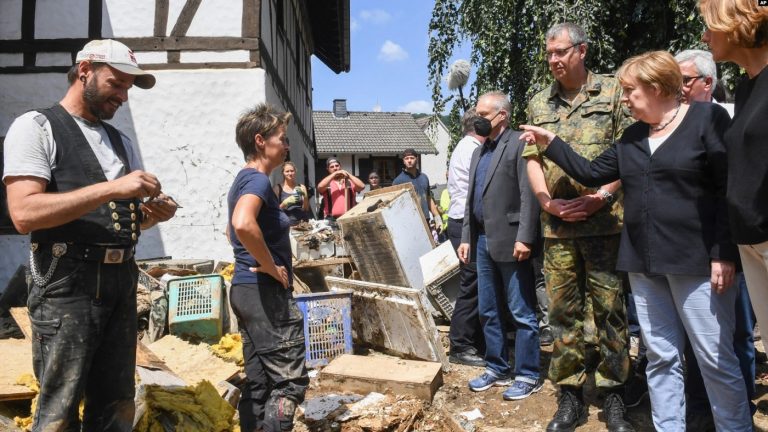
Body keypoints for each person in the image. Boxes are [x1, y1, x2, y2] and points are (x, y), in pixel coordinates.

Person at [521, 50, 752, 432]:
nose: (624, 98)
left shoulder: (705, 119)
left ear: (658, 87)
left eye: (630, 90)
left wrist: (724, 253)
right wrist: (552, 142)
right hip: (645, 266)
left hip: (697, 264)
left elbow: (728, 187)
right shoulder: (632, 136)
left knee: (714, 359)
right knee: (661, 357)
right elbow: (591, 172)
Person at [2, 39, 177, 430]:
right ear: (85, 71)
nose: (123, 97)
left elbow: (112, 219)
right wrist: (113, 188)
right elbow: (23, 213)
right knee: (60, 409)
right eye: (117, 84)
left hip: (120, 278)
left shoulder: (120, 141)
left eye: (128, 89)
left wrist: (151, 217)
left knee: (116, 403)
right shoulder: (35, 127)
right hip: (66, 280)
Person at [524, 22, 634, 432]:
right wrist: (547, 203)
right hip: (558, 229)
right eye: (549, 53)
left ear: (582, 51)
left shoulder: (613, 92)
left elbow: (629, 152)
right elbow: (532, 159)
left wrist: (600, 196)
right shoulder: (538, 103)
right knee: (562, 314)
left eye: (561, 52)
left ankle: (614, 395)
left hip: (604, 223)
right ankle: (569, 397)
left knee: (610, 312)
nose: (553, 60)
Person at [675, 48, 757, 426]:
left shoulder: (732, 117)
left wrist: (724, 249)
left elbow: (731, 187)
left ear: (707, 82)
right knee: (699, 340)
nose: (678, 89)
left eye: (684, 81)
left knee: (736, 333)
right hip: (696, 250)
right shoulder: (673, 123)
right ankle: (700, 410)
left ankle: (741, 405)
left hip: (733, 247)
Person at [227, 103, 308, 431]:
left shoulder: (243, 181)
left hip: (244, 290)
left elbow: (231, 230)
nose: (286, 146)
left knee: (259, 383)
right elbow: (243, 224)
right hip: (264, 294)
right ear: (260, 141)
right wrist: (272, 266)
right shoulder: (259, 181)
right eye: (282, 138)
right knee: (288, 384)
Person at [699, 0, 768, 382]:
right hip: (751, 245)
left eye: (709, 25)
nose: (704, 36)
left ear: (735, 21)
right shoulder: (745, 88)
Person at [458, 91, 541, 400]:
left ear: (502, 115)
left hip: (511, 238)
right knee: (488, 309)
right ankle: (497, 367)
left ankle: (528, 372)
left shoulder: (520, 142)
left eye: (484, 113)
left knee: (521, 310)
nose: (477, 118)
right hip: (481, 240)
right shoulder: (480, 151)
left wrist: (526, 236)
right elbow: (471, 200)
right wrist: (466, 237)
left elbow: (529, 192)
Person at [446, 109, 486, 367]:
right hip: (465, 223)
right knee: (471, 285)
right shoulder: (472, 149)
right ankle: (460, 345)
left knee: (477, 284)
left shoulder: (464, 146)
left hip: (460, 221)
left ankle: (475, 340)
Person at [392, 148, 442, 224]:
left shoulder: (424, 177)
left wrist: (437, 217)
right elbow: (395, 206)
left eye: (412, 158)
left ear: (417, 159)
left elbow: (428, 198)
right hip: (409, 222)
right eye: (406, 158)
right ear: (403, 161)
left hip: (426, 220)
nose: (409, 160)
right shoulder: (398, 181)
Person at [273, 161, 309, 226]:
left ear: (295, 172)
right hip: (286, 225)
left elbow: (305, 209)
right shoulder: (277, 188)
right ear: (283, 173)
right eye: (287, 171)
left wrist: (305, 197)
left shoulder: (301, 187)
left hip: (302, 224)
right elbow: (274, 211)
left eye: (292, 171)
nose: (290, 173)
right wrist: (285, 203)